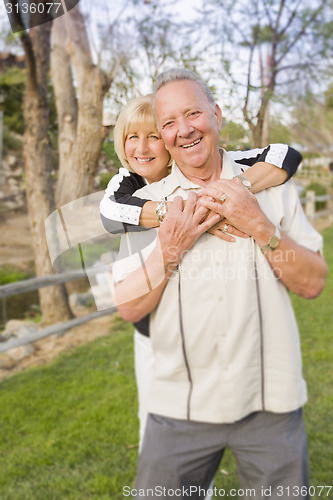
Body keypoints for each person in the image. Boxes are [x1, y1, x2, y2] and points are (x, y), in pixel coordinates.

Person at [113, 69, 328, 499]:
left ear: (217, 114)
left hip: (271, 401)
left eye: (194, 113)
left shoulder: (273, 188)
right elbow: (129, 308)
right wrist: (170, 249)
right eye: (169, 122)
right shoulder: (148, 205)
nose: (184, 129)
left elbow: (312, 283)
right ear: (163, 133)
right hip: (179, 407)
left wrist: (259, 224)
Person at [100, 96, 302, 450]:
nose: (142, 148)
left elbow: (286, 155)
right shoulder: (126, 185)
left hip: (217, 321)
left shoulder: (216, 169)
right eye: (131, 137)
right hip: (154, 331)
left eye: (152, 136)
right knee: (160, 429)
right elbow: (109, 211)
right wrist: (188, 214)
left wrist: (234, 191)